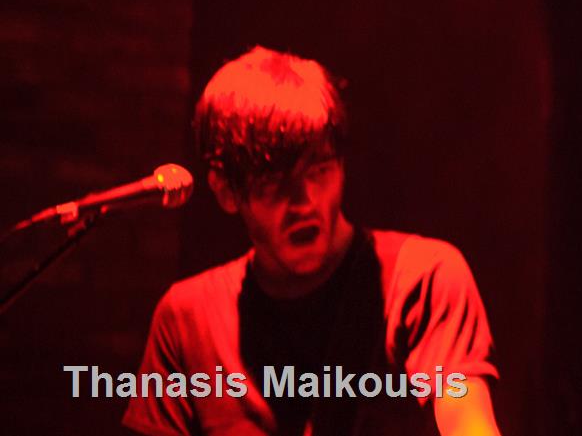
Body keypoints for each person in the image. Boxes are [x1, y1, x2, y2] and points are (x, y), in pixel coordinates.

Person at [123, 47, 501, 436]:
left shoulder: (423, 279)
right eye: (274, 182)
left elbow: (469, 423)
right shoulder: (186, 319)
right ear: (225, 191)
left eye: (319, 169)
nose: (304, 202)